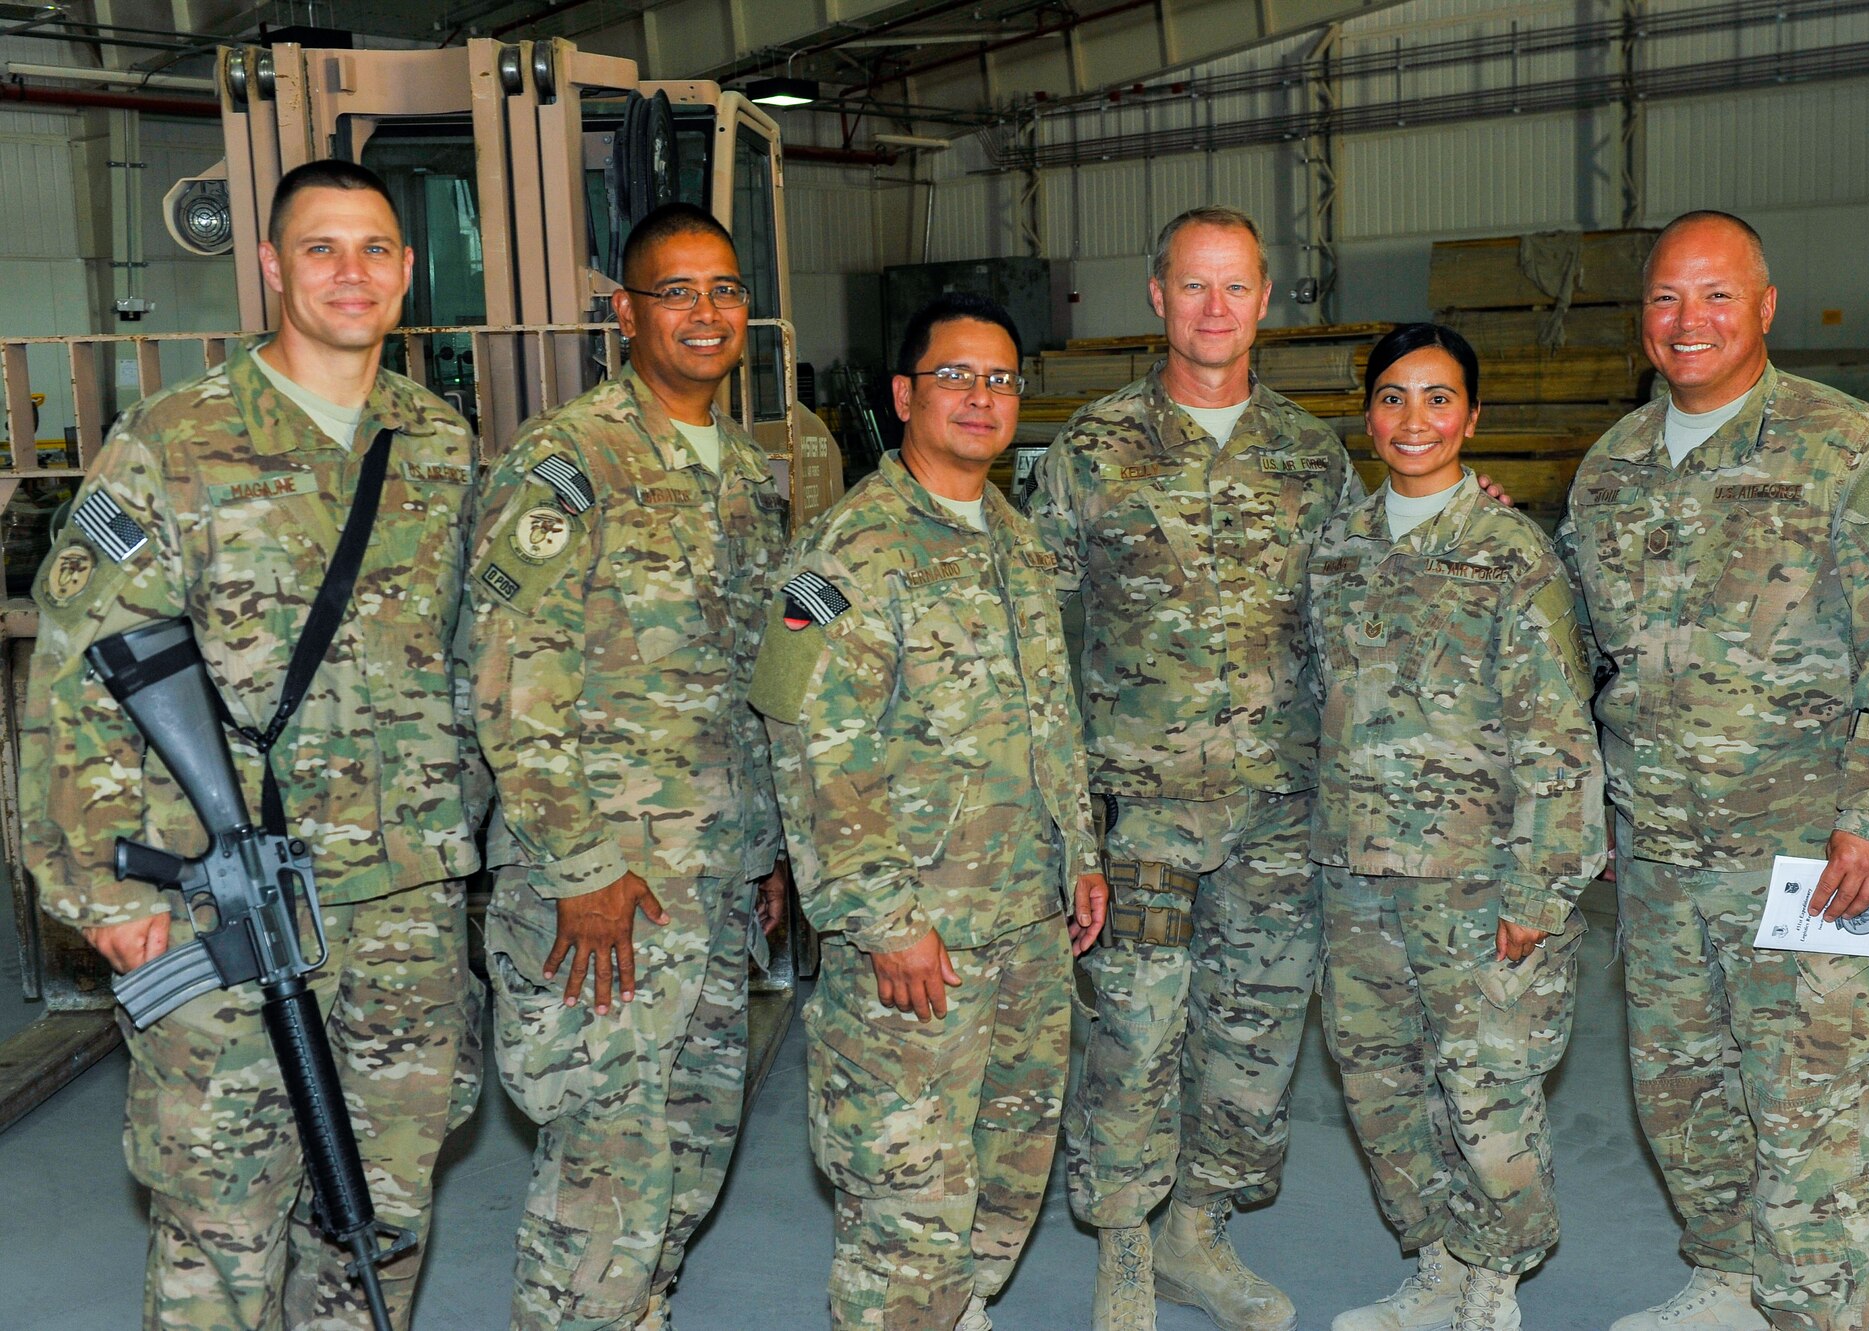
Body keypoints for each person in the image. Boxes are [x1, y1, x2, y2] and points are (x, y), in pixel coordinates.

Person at [18, 159, 486, 1330]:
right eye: (321, 248)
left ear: (407, 273)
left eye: (374, 249)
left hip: (400, 896)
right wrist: (97, 888)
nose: (350, 272)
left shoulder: (436, 444)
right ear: (272, 267)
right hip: (221, 899)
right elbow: (79, 667)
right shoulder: (173, 439)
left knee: (378, 1205)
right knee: (222, 1213)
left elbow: (472, 651)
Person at [1556, 211, 1869, 1331]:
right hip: (1657, 855)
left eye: (1715, 296)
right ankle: (1730, 1279)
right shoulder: (1612, 469)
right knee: (1683, 1093)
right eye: (1663, 299)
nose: (1686, 322)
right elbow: (1579, 658)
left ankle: (1822, 1311)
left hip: (1810, 854)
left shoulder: (1848, 448)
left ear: (1765, 307)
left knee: (1807, 1106)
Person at [1026, 204, 1358, 1331]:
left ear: (1265, 301)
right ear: (1156, 296)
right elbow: (1033, 632)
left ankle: (1195, 1231)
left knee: (1253, 1034)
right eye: (1192, 286)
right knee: (1131, 1033)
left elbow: (1362, 606)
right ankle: (1123, 1243)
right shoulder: (1089, 451)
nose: (1213, 309)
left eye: (1235, 287)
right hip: (1141, 813)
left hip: (1276, 807)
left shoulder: (1314, 461)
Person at [749, 293, 1109, 1331]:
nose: (981, 397)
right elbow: (810, 745)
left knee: (1002, 1181)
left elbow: (1053, 713)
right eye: (956, 375)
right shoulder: (841, 555)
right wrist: (882, 918)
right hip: (919, 940)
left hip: (1029, 927)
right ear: (904, 394)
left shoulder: (1015, 538)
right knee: (903, 1207)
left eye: (1000, 379)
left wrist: (1080, 852)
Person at [464, 202, 792, 1331]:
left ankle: (637, 1312)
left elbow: (755, 682)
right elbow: (508, 678)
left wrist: (767, 847)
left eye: (724, 290)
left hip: (711, 877)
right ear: (624, 313)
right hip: (605, 888)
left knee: (690, 1140)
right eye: (676, 292)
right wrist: (577, 861)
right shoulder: (566, 464)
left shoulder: (751, 474)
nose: (705, 314)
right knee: (604, 1159)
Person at [1309, 324, 1606, 1331]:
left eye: (1437, 399)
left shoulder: (1508, 553)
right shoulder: (1337, 551)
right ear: (1367, 414)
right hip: (1357, 882)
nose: (1412, 419)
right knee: (1380, 1090)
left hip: (1477, 883)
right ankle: (1433, 1261)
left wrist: (1537, 890)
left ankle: (1492, 1277)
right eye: (1391, 396)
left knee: (1486, 1098)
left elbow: (1560, 737)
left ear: (1470, 418)